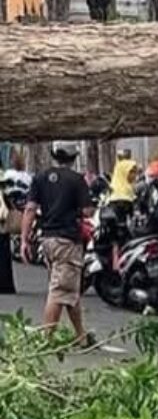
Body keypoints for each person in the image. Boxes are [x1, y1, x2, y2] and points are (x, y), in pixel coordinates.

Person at [21, 143, 94, 344]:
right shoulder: (77, 180)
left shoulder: (40, 178)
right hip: (67, 240)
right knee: (60, 291)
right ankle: (46, 339)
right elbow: (88, 211)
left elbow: (29, 209)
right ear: (73, 157)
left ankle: (81, 336)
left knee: (68, 288)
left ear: (54, 156)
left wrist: (24, 240)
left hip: (47, 239)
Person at [107, 155, 139, 221]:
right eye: (131, 172)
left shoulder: (128, 189)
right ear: (123, 172)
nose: (134, 175)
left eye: (135, 172)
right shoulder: (120, 196)